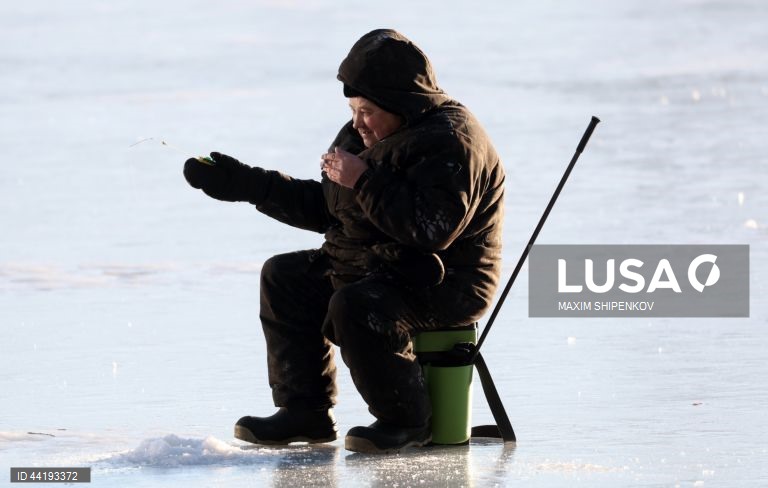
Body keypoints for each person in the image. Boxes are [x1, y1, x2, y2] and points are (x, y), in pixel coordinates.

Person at [182, 29, 505, 454]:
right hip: (373, 263)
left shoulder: (452, 140)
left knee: (357, 303)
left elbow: (431, 230)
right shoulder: (365, 135)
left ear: (402, 104)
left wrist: (364, 178)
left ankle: (406, 418)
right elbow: (330, 209)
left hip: (443, 280)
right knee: (286, 276)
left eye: (367, 110)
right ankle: (305, 411)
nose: (357, 121)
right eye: (353, 109)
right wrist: (246, 184)